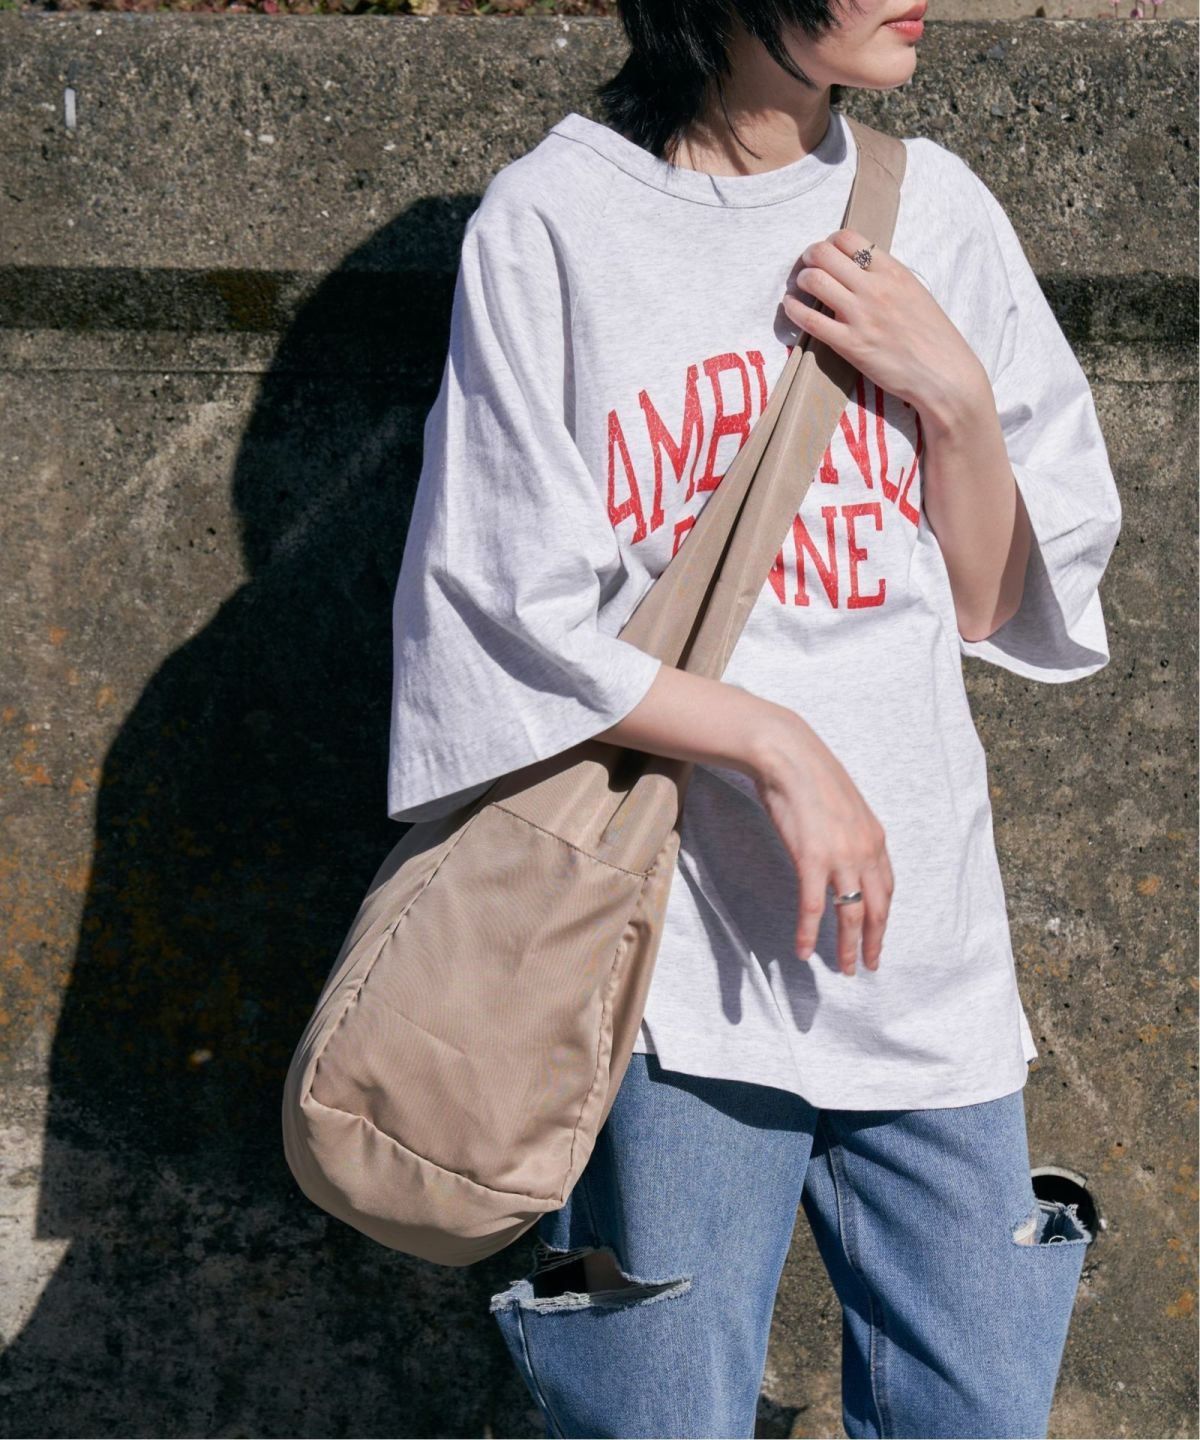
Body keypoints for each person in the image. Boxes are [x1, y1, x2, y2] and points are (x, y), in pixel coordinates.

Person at [386, 2, 1121, 1435]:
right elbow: (502, 610)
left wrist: (958, 398)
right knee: (667, 1417)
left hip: (925, 954)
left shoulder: (934, 207)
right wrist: (779, 746)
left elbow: (986, 602)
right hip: (674, 963)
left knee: (977, 1414)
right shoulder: (559, 222)